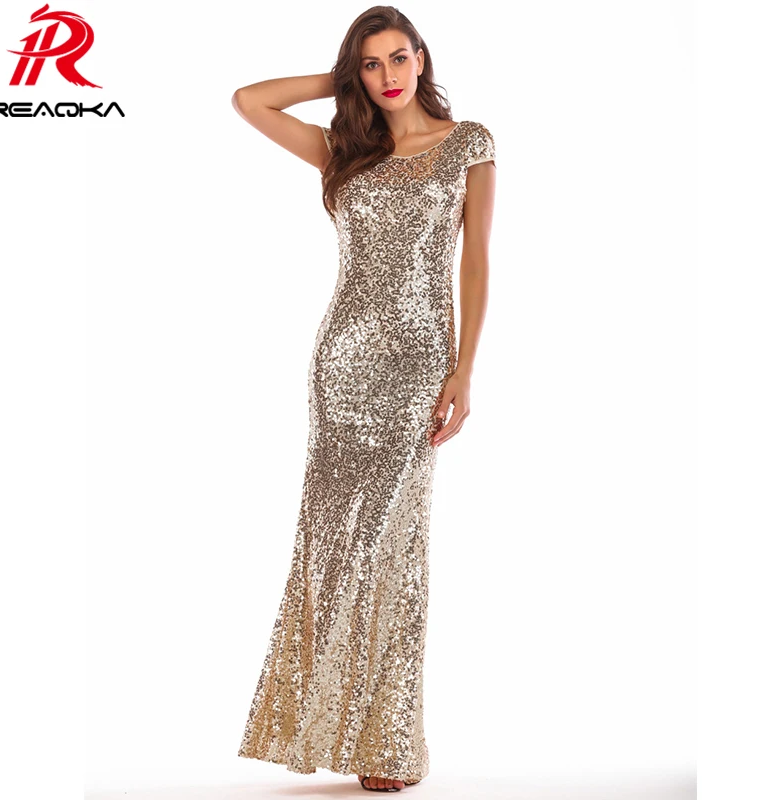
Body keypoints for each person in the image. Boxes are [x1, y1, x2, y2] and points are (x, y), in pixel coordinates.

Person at [231, 6, 495, 793]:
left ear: (422, 58)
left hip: (419, 366)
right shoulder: (342, 150)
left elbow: (476, 263)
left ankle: (388, 743)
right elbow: (248, 99)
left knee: (393, 547)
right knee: (331, 545)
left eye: (398, 58)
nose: (388, 76)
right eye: (371, 64)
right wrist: (340, 80)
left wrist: (464, 370)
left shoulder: (469, 143)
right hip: (341, 365)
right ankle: (330, 732)